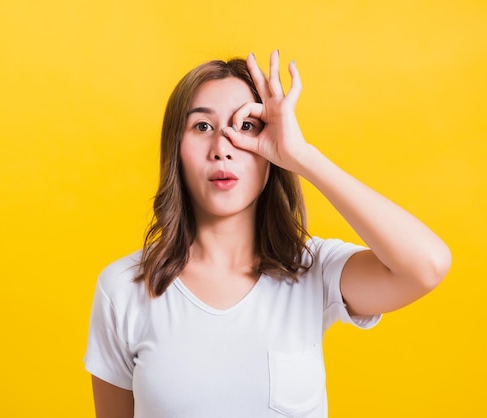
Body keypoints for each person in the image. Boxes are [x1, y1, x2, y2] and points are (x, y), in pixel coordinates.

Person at [84, 50, 451, 418]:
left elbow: (427, 265)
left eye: (245, 126)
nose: (222, 149)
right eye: (202, 127)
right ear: (175, 149)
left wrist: (300, 155)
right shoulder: (122, 290)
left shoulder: (312, 270)